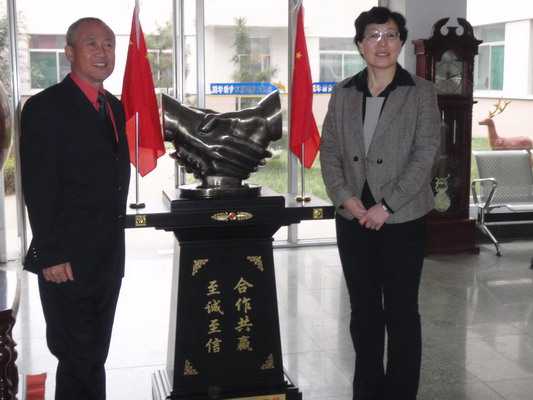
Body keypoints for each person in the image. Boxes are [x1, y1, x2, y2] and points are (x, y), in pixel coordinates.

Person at [320, 6, 440, 400]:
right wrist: (346, 199)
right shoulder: (343, 92)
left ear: (401, 42)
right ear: (360, 44)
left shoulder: (421, 92)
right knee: (363, 311)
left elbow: (425, 154)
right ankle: (368, 390)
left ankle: (401, 392)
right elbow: (329, 151)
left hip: (402, 218)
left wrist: (386, 206)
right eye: (373, 35)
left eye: (390, 35)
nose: (382, 43)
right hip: (353, 218)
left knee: (401, 312)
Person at [20, 17, 130, 400]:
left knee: (94, 355)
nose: (102, 52)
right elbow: (38, 186)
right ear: (69, 52)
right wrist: (50, 253)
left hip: (107, 259)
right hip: (65, 261)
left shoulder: (114, 107)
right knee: (76, 356)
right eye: (91, 43)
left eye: (109, 44)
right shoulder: (44, 107)